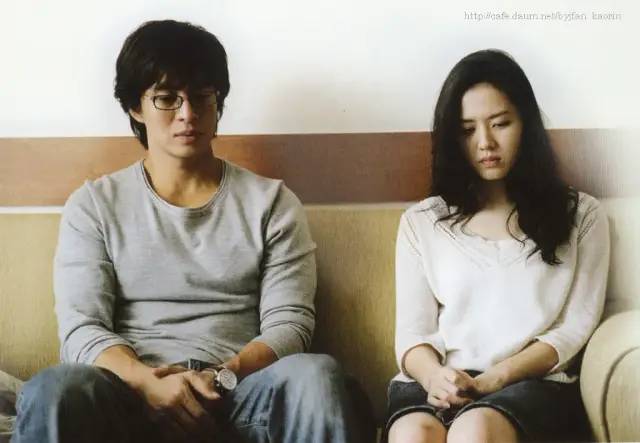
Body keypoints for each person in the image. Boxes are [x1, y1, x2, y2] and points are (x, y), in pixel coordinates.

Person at [13, 19, 364, 443]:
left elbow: (290, 323)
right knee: (53, 389)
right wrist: (146, 382)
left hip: (236, 392)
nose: (187, 114)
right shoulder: (94, 205)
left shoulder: (272, 203)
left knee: (317, 375)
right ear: (136, 107)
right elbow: (82, 327)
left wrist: (224, 376)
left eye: (201, 97)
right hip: (128, 393)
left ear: (219, 102)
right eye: (167, 99)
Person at [385, 49, 609, 443]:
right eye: (467, 130)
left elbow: (574, 328)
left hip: (530, 385)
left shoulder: (582, 215)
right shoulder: (422, 222)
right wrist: (435, 377)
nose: (485, 143)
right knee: (412, 434)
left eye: (500, 124)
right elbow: (412, 334)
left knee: (475, 430)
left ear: (527, 124)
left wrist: (494, 379)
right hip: (437, 382)